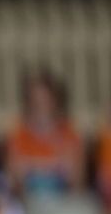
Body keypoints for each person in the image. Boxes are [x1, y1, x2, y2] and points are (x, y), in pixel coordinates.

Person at [5, 68, 83, 198]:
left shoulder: (69, 135)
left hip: (62, 204)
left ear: (56, 100)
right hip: (28, 205)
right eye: (35, 100)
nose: (41, 105)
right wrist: (53, 165)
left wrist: (33, 165)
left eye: (46, 99)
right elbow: (13, 178)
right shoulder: (18, 134)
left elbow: (77, 181)